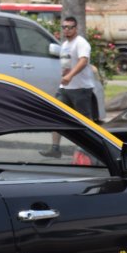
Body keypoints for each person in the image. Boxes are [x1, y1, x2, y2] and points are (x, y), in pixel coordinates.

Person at [43, 16, 97, 157]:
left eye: (70, 27)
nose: (67, 30)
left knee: (85, 120)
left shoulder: (81, 43)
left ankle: (94, 148)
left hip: (81, 88)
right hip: (65, 88)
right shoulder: (65, 45)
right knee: (56, 114)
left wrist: (70, 75)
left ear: (76, 28)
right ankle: (55, 149)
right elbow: (67, 63)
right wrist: (64, 73)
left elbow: (83, 61)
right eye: (64, 27)